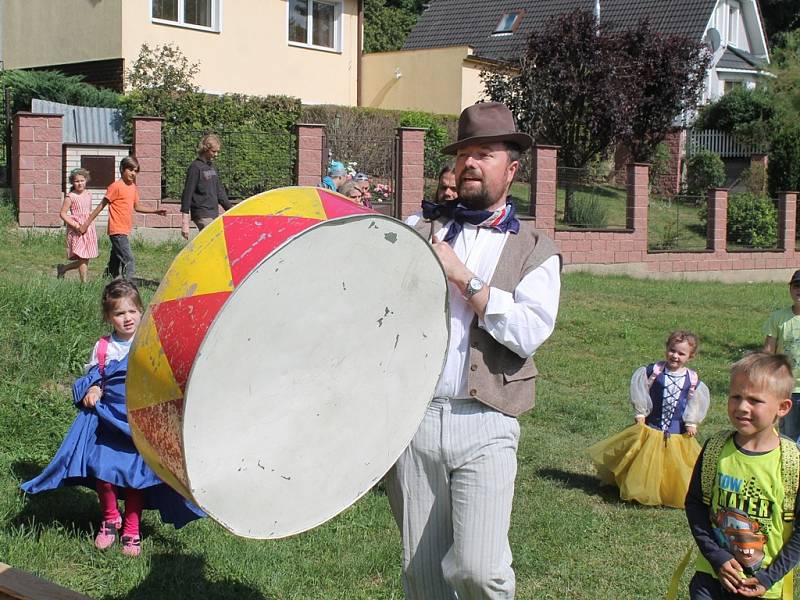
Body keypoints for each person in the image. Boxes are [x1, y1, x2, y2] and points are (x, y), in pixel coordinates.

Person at [389, 102, 561, 599]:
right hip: (414, 419)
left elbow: (528, 333)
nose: (470, 163)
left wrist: (466, 279)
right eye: (464, 153)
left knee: (478, 570)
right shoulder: (416, 230)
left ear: (511, 169)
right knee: (423, 578)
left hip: (488, 419)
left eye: (484, 153)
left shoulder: (535, 249)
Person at [20, 280, 203, 557]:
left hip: (138, 423)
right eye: (119, 313)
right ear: (109, 317)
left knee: (135, 478)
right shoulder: (104, 347)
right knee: (103, 473)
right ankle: (108, 520)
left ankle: (131, 530)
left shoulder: (151, 342)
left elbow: (165, 376)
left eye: (132, 311)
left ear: (141, 311)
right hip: (108, 421)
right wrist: (93, 387)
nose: (127, 318)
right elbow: (96, 374)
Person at [685, 353, 800, 599]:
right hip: (711, 579)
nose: (741, 407)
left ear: (783, 407)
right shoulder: (716, 449)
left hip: (763, 587)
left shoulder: (793, 462)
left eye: (754, 400)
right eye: (735, 397)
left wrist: (770, 577)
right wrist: (717, 557)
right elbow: (695, 504)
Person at [587, 330, 711, 508]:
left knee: (673, 465)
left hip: (676, 431)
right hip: (651, 426)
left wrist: (691, 422)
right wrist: (640, 412)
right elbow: (640, 391)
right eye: (672, 350)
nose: (675, 356)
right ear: (667, 348)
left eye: (681, 353)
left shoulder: (691, 380)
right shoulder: (654, 371)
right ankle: (638, 488)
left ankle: (666, 490)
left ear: (690, 357)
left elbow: (694, 402)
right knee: (643, 460)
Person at [82, 156, 166, 279]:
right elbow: (101, 206)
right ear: (122, 169)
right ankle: (127, 288)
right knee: (129, 261)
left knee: (114, 263)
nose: (133, 173)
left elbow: (137, 207)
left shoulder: (133, 187)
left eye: (136, 171)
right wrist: (86, 224)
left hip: (124, 230)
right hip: (117, 231)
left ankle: (104, 282)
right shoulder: (115, 187)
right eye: (130, 170)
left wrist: (155, 211)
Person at [762, 269, 800, 442]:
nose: (799, 290)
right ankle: (790, 467)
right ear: (790, 289)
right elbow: (769, 351)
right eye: (796, 286)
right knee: (788, 437)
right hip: (787, 388)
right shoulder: (778, 318)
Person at [180, 133, 232, 240]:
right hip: (202, 213)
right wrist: (185, 221)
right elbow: (187, 193)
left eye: (217, 151)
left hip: (213, 212)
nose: (216, 154)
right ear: (205, 149)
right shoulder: (195, 167)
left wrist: (231, 210)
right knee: (212, 241)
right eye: (213, 151)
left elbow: (220, 192)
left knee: (214, 242)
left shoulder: (211, 168)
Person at [56, 168, 98, 283]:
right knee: (82, 257)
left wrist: (88, 224)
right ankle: (83, 284)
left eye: (82, 180)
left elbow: (88, 212)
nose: (80, 183)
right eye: (77, 181)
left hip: (88, 228)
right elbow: (62, 213)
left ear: (86, 180)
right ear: (72, 182)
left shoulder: (88, 194)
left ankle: (63, 268)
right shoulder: (70, 196)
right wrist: (75, 225)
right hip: (77, 229)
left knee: (85, 258)